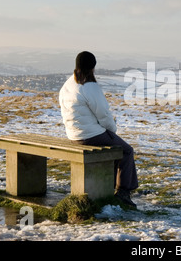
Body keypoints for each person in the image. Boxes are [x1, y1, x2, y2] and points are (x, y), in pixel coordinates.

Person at [58, 51, 138, 208]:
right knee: (126, 151)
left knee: (116, 148)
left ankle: (115, 187)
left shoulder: (68, 84)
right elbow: (104, 115)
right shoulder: (89, 87)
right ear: (93, 67)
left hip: (73, 135)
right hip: (90, 135)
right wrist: (112, 130)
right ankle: (123, 192)